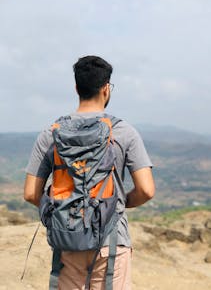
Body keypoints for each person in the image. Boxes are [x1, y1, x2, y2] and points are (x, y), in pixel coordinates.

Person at [24, 55, 155, 290]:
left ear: (76, 88)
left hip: (67, 241)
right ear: (106, 88)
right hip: (111, 241)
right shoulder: (124, 131)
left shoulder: (51, 133)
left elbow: (31, 194)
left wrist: (60, 212)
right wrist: (117, 203)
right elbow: (146, 190)